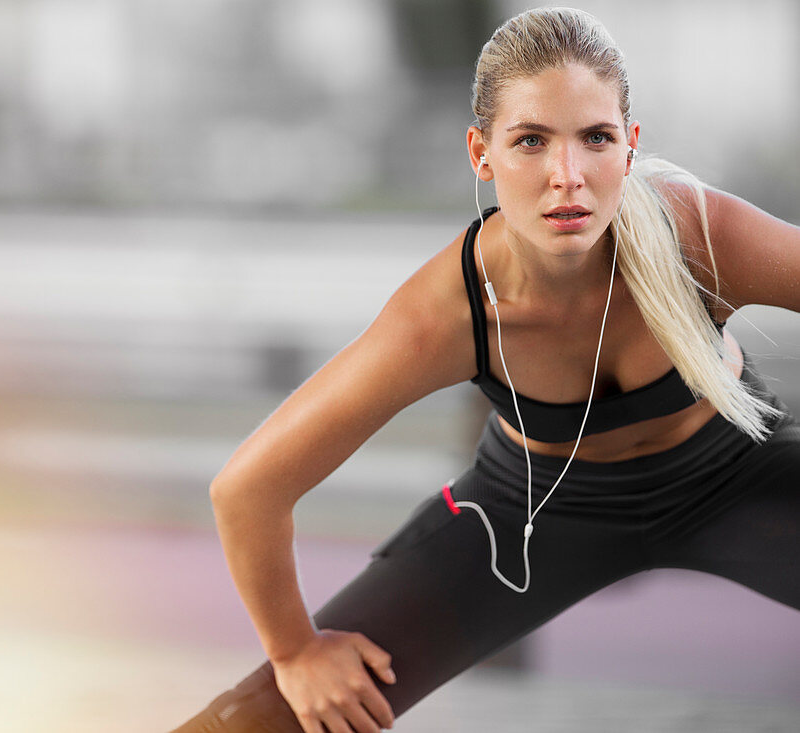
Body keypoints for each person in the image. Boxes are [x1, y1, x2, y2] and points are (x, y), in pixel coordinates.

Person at [171, 7, 800, 732]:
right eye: (530, 141)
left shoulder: (701, 239)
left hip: (735, 480)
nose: (567, 176)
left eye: (594, 138)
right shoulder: (445, 314)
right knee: (267, 722)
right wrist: (293, 652)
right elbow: (247, 488)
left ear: (629, 147)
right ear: (481, 153)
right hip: (528, 516)